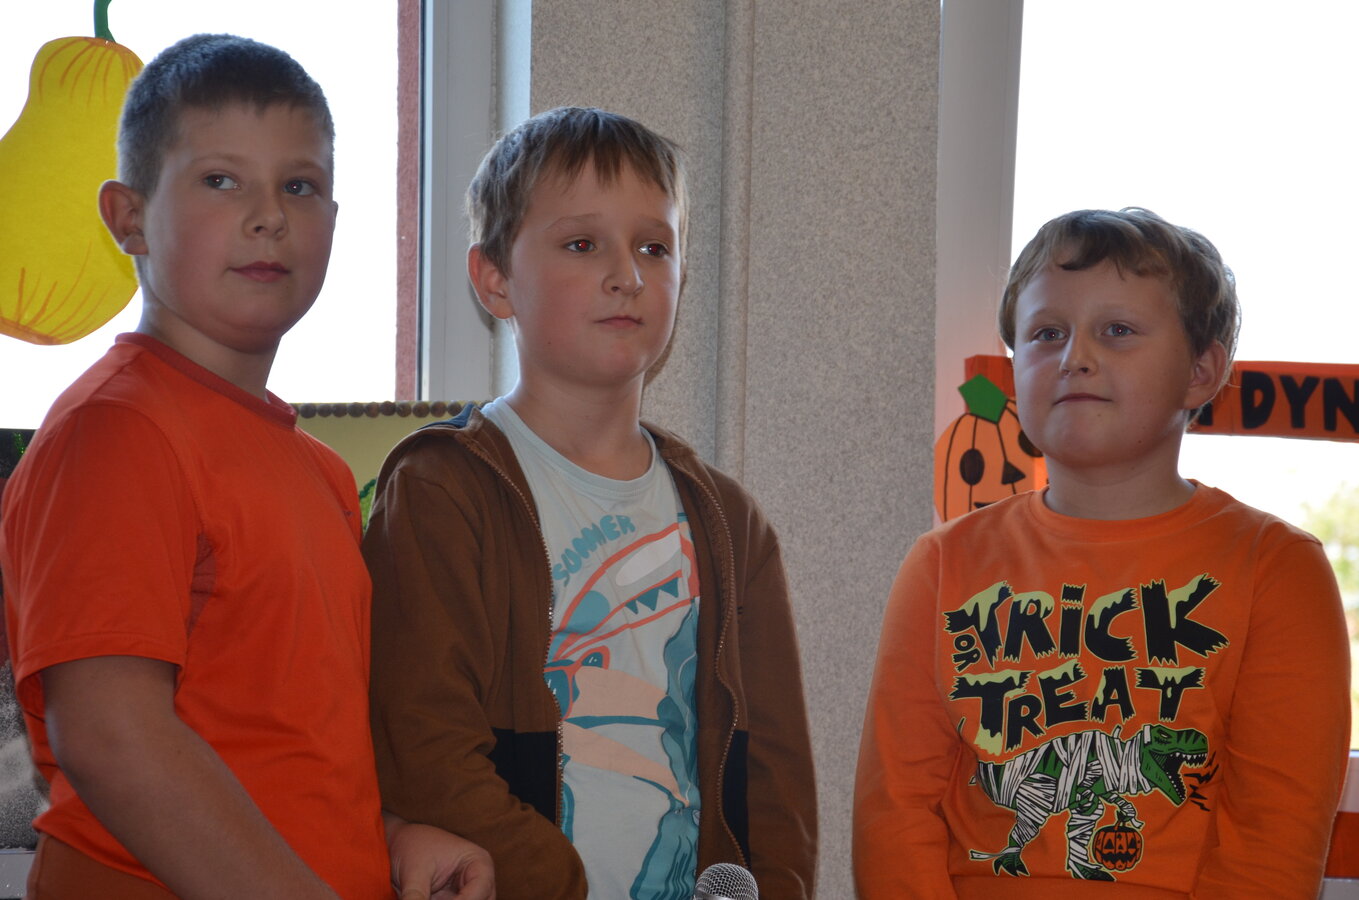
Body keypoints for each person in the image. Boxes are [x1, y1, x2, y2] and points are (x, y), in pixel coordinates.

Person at [0, 34, 492, 900]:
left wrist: (388, 838)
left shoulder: (318, 471)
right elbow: (113, 738)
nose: (269, 216)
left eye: (299, 186)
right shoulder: (116, 432)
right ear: (126, 216)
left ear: (333, 217)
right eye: (221, 180)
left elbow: (281, 750)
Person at [362, 106, 818, 900]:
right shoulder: (442, 489)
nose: (626, 274)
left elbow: (775, 783)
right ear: (493, 279)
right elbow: (424, 753)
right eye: (582, 244)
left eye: (653, 247)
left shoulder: (730, 523)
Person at [853, 207, 1349, 898]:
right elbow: (894, 810)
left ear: (1201, 371)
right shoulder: (940, 565)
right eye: (1046, 333)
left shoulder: (1277, 569)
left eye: (1117, 330)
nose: (1075, 357)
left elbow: (1274, 838)